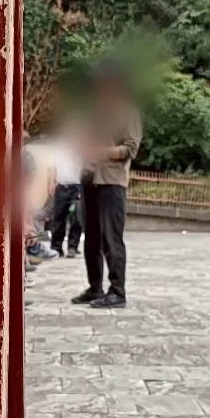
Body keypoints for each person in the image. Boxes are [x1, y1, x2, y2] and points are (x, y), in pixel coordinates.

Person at [72, 63, 142, 309]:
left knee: (111, 237)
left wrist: (102, 151)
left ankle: (117, 291)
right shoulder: (93, 112)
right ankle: (95, 287)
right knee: (90, 237)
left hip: (112, 181)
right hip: (89, 177)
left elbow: (130, 149)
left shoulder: (129, 113)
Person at [49, 132, 84, 257]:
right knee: (58, 217)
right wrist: (51, 181)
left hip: (76, 186)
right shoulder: (58, 147)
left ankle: (72, 247)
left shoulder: (80, 146)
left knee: (77, 218)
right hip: (61, 185)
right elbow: (53, 166)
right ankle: (56, 247)